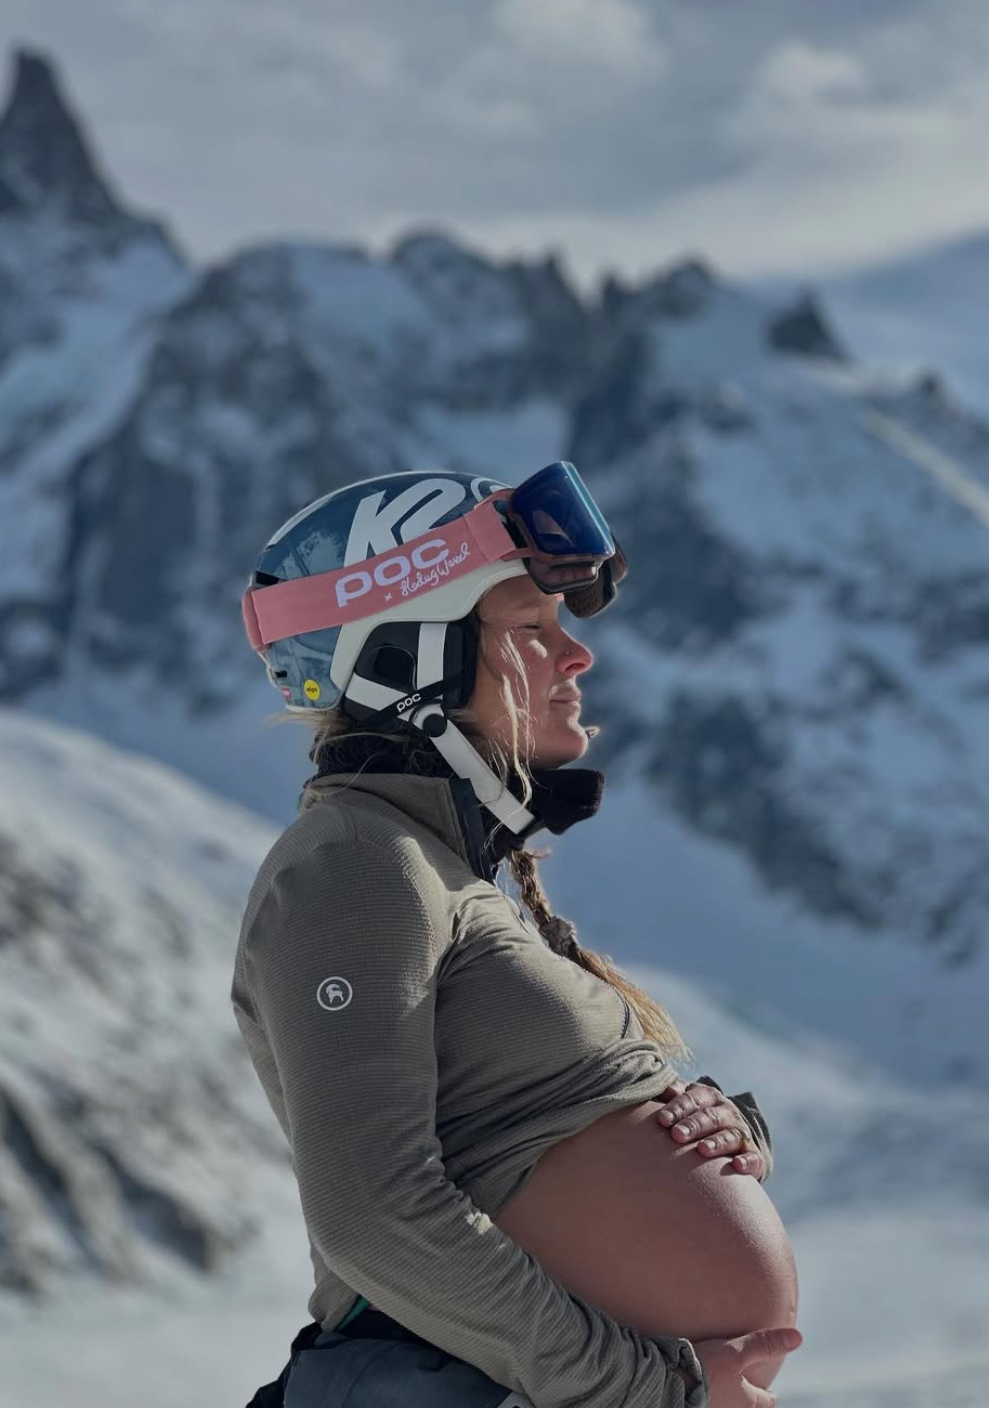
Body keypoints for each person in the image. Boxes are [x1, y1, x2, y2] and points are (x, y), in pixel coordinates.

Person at [232, 462, 802, 1408]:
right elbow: (372, 1217)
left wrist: (718, 1130)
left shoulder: (438, 868)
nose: (577, 657)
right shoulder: (355, 862)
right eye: (534, 628)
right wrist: (649, 1392)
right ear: (406, 664)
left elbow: (526, 1133)